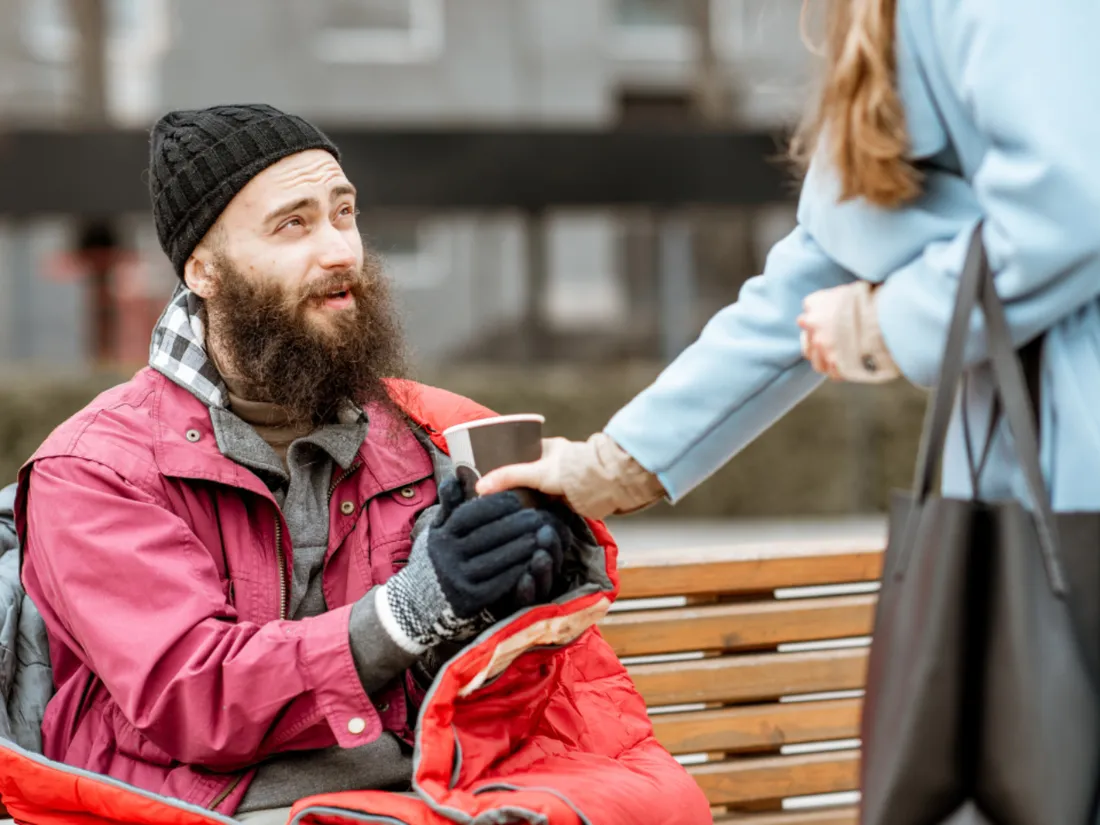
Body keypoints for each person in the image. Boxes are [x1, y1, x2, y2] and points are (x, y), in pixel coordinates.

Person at [15, 104, 576, 817]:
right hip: (207, 808)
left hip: (427, 792)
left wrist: (515, 595)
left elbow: (475, 693)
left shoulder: (415, 434)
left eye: (346, 213)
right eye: (295, 224)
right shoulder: (92, 469)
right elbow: (192, 692)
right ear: (205, 270)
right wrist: (411, 608)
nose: (343, 250)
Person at [477, 0, 1100, 518]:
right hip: (1033, 458)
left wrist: (890, 321)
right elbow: (816, 272)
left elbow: (1071, 201)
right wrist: (611, 467)